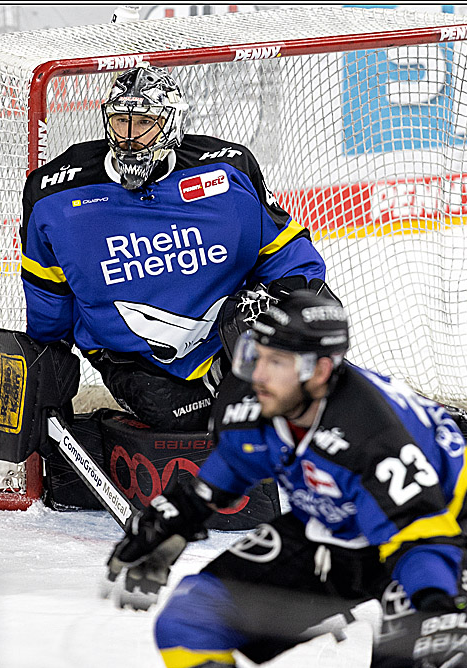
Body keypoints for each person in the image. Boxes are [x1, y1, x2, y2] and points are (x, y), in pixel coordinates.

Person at [105, 290, 467, 668]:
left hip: (436, 535)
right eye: (256, 356)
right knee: (188, 623)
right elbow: (223, 477)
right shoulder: (254, 401)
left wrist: (440, 608)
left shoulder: (374, 434)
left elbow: (422, 537)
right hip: (330, 524)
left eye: (277, 362)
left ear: (319, 371)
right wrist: (174, 521)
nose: (258, 374)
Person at [19, 64, 330, 432]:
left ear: (171, 124)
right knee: (193, 427)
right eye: (121, 120)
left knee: (317, 360)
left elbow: (288, 255)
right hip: (133, 360)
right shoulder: (54, 194)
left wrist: (288, 302)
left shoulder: (228, 171)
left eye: (145, 121)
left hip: (228, 339)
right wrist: (45, 362)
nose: (131, 136)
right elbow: (48, 294)